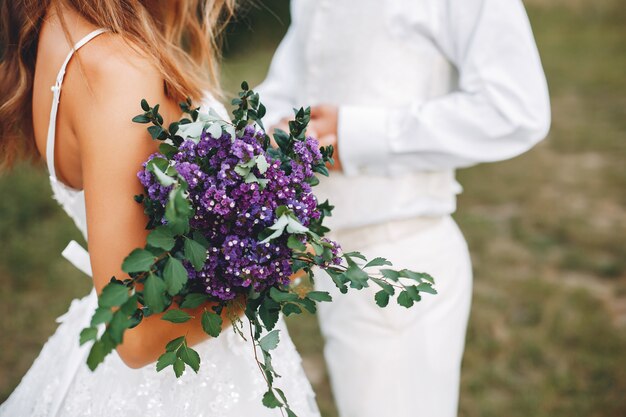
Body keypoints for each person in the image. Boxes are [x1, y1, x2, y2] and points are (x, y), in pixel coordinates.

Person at [0, 1, 320, 416]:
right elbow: (134, 337)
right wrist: (276, 269)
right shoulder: (116, 70)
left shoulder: (61, 31)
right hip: (180, 388)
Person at [257, 0, 551, 416]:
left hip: (401, 259)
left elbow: (515, 109)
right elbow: (295, 80)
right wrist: (261, 140)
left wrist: (358, 136)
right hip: (330, 261)